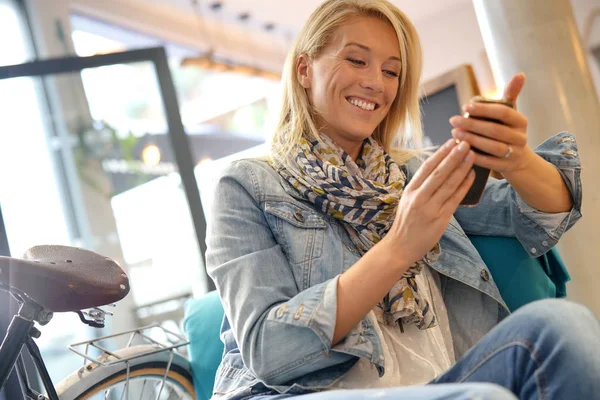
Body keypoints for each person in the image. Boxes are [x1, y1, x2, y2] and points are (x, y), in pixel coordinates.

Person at [205, 0, 599, 399]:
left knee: (564, 325)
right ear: (304, 70)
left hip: (436, 382)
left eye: (391, 71)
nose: (376, 82)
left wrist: (515, 157)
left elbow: (544, 211)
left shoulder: (408, 175)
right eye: (357, 61)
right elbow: (268, 350)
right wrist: (399, 246)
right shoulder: (246, 184)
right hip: (302, 394)